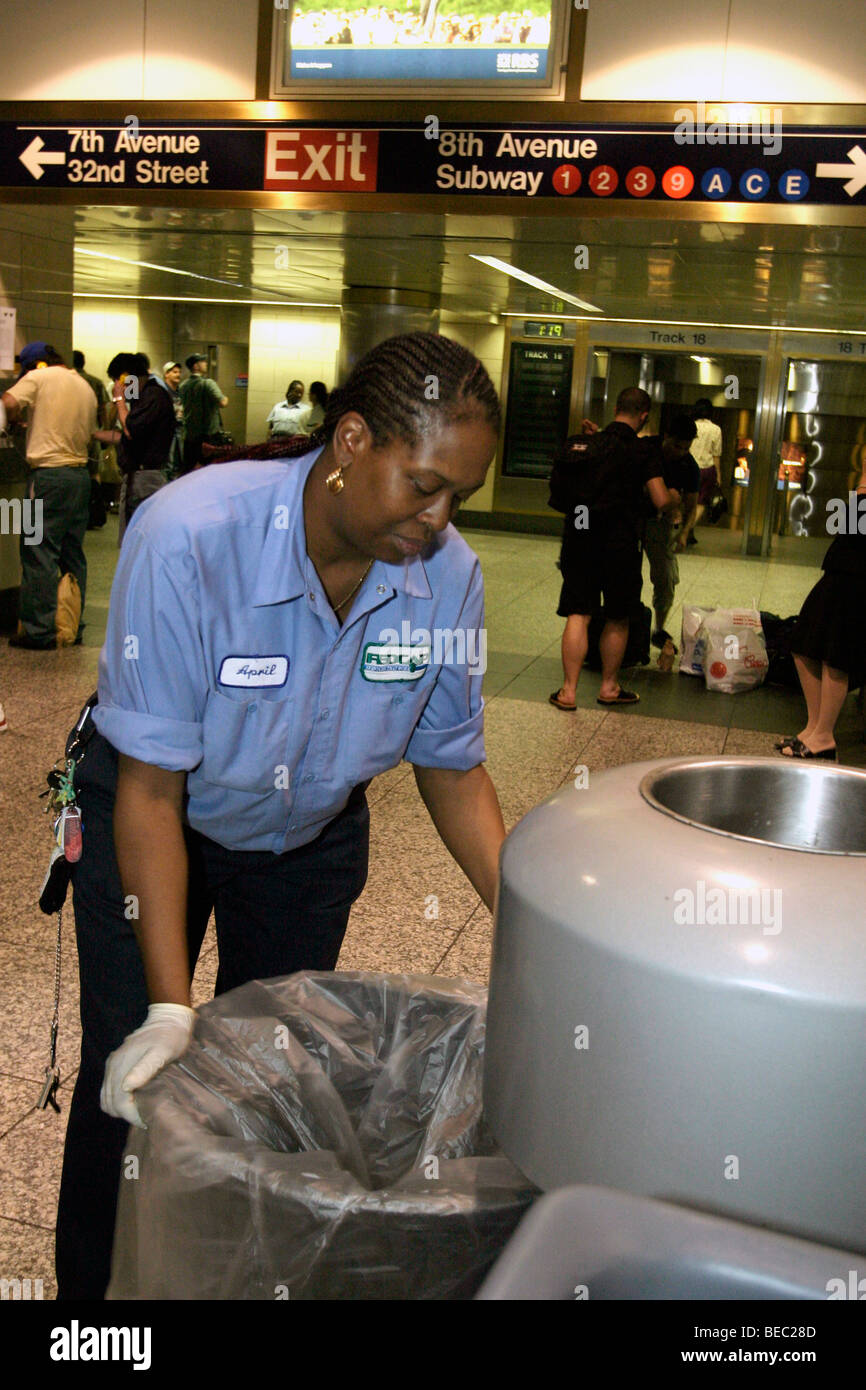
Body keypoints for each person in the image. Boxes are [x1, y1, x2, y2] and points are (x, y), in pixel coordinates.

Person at [55, 331, 506, 1299]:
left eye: (458, 496)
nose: (437, 519)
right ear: (349, 441)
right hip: (156, 816)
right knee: (133, 1076)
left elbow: (452, 769)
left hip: (306, 840)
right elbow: (148, 789)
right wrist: (172, 1005)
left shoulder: (445, 577)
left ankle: (236, 1279)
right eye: (422, 484)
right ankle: (92, 1309)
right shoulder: (188, 534)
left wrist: (531, 930)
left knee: (276, 1076)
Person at [549, 387, 677, 710]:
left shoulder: (592, 442)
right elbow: (660, 499)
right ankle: (608, 687)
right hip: (620, 542)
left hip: (580, 535)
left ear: (616, 406)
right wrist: (675, 497)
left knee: (579, 612)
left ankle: (568, 691)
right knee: (618, 616)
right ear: (644, 415)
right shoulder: (643, 450)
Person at [1, 342, 96, 649]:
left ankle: (38, 631)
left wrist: (13, 420)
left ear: (34, 365)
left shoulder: (38, 377)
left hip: (47, 477)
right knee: (72, 553)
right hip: (79, 476)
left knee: (36, 548)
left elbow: (9, 401)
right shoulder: (83, 385)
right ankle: (71, 625)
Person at [776, 463, 866, 761]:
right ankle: (814, 728)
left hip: (857, 574)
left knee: (835, 655)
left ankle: (824, 735)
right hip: (842, 569)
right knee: (803, 645)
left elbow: (851, 522)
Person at [95, 353, 175, 545]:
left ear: (126, 378)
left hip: (143, 478)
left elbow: (130, 430)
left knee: (134, 542)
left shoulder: (153, 395)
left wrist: (120, 401)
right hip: (140, 476)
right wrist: (93, 434)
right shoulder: (145, 397)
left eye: (118, 381)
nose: (117, 387)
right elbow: (129, 437)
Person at [641, 414, 699, 651]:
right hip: (632, 518)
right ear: (666, 437)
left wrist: (684, 532)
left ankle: (659, 628)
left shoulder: (689, 466)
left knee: (665, 576)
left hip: (660, 524)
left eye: (686, 447)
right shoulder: (646, 449)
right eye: (677, 446)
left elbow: (691, 506)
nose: (681, 452)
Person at [680, 397, 722, 546]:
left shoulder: (691, 425)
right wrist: (718, 475)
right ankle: (687, 529)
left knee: (687, 501)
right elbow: (716, 455)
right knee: (701, 503)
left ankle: (688, 531)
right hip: (706, 469)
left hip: (689, 466)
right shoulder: (716, 430)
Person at [178, 353, 228, 473]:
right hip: (208, 436)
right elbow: (223, 403)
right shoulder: (208, 383)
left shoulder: (183, 385)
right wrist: (226, 397)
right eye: (203, 361)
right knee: (208, 471)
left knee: (189, 471)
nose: (206, 363)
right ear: (196, 366)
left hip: (190, 436)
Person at [161, 361, 185, 480]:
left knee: (177, 464)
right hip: (166, 432)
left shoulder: (180, 392)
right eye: (175, 372)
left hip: (179, 431)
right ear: (166, 374)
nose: (178, 375)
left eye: (179, 372)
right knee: (167, 465)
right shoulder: (161, 392)